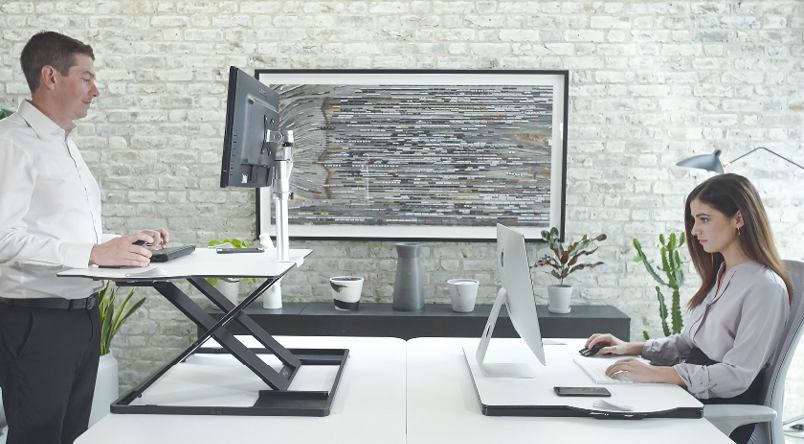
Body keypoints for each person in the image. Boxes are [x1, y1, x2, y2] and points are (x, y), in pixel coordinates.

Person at [0, 31, 169, 444]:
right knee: (38, 437)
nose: (97, 90)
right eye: (87, 77)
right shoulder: (11, 143)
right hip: (35, 320)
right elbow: (3, 239)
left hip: (82, 317)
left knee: (72, 435)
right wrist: (94, 252)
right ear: (51, 77)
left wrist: (123, 241)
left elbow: (66, 231)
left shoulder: (65, 144)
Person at [585, 173, 792, 444]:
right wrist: (632, 347)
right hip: (688, 393)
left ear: (738, 218)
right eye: (695, 220)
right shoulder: (722, 272)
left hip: (713, 408)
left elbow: (737, 375)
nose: (694, 231)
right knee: (598, 406)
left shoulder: (765, 288)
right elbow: (689, 342)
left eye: (704, 219)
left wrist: (659, 374)